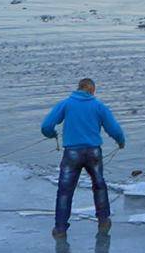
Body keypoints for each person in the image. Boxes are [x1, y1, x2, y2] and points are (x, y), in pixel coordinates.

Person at [40, 78, 125, 237]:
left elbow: (46, 126)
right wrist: (120, 142)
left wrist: (52, 135)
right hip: (93, 152)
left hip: (72, 153)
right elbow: (114, 129)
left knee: (65, 191)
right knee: (99, 185)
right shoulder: (98, 106)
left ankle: (60, 228)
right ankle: (104, 220)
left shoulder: (66, 104)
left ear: (78, 89)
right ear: (92, 90)